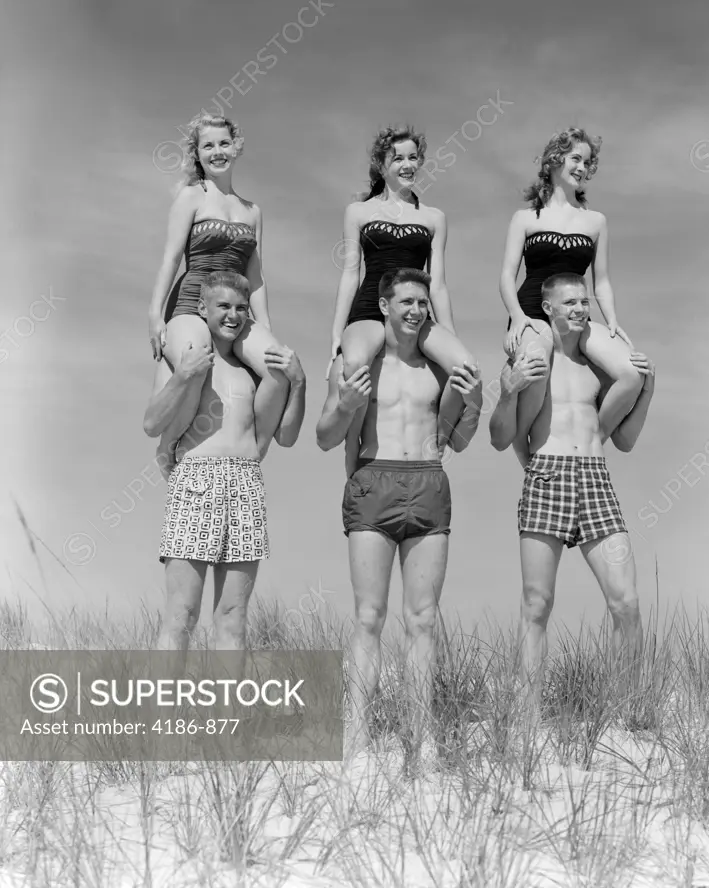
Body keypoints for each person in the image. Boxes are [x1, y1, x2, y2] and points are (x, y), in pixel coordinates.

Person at [317, 267, 482, 765]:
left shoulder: (437, 370)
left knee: (423, 619)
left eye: (422, 303)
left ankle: (422, 735)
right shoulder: (358, 364)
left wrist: (470, 403)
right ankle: (357, 732)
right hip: (374, 481)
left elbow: (458, 439)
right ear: (383, 306)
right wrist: (346, 404)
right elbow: (325, 436)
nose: (415, 310)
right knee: (369, 615)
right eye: (405, 301)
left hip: (429, 483)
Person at [489, 272, 655, 712]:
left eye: (585, 302)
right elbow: (501, 437)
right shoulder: (533, 361)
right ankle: (526, 716)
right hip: (548, 476)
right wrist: (506, 393)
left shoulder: (598, 368)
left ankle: (625, 710)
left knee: (628, 603)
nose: (582, 310)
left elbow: (625, 440)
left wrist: (647, 387)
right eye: (571, 303)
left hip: (596, 479)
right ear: (547, 309)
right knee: (537, 605)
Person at [143, 270, 306, 651]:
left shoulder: (254, 372)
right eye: (223, 307)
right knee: (181, 614)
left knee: (233, 617)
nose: (233, 316)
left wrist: (298, 384)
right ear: (202, 308)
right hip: (196, 482)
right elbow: (151, 423)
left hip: (247, 485)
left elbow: (286, 436)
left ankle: (228, 712)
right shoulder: (181, 360)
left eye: (241, 309)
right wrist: (183, 376)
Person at [147, 113, 290, 476]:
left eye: (224, 143)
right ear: (197, 153)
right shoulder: (191, 197)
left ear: (236, 147)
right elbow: (171, 257)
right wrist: (155, 314)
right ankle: (169, 446)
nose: (217, 151)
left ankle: (255, 450)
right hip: (192, 302)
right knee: (198, 361)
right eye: (208, 145)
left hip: (234, 308)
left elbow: (255, 278)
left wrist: (267, 328)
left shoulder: (252, 210)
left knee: (280, 369)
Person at [329, 125, 477, 466]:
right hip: (370, 308)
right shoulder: (359, 212)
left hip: (416, 311)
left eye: (413, 158)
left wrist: (449, 334)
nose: (407, 165)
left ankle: (437, 444)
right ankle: (354, 459)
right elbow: (350, 274)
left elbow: (437, 283)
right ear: (382, 166)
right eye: (398, 159)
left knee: (466, 367)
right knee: (353, 366)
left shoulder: (434, 217)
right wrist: (336, 333)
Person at [499, 127, 643, 466]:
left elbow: (602, 282)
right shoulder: (525, 218)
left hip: (577, 312)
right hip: (533, 310)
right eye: (575, 158)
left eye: (587, 162)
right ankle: (529, 460)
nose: (581, 167)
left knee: (632, 373)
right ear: (554, 160)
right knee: (536, 370)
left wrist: (612, 322)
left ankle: (593, 440)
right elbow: (507, 275)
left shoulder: (596, 222)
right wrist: (517, 318)